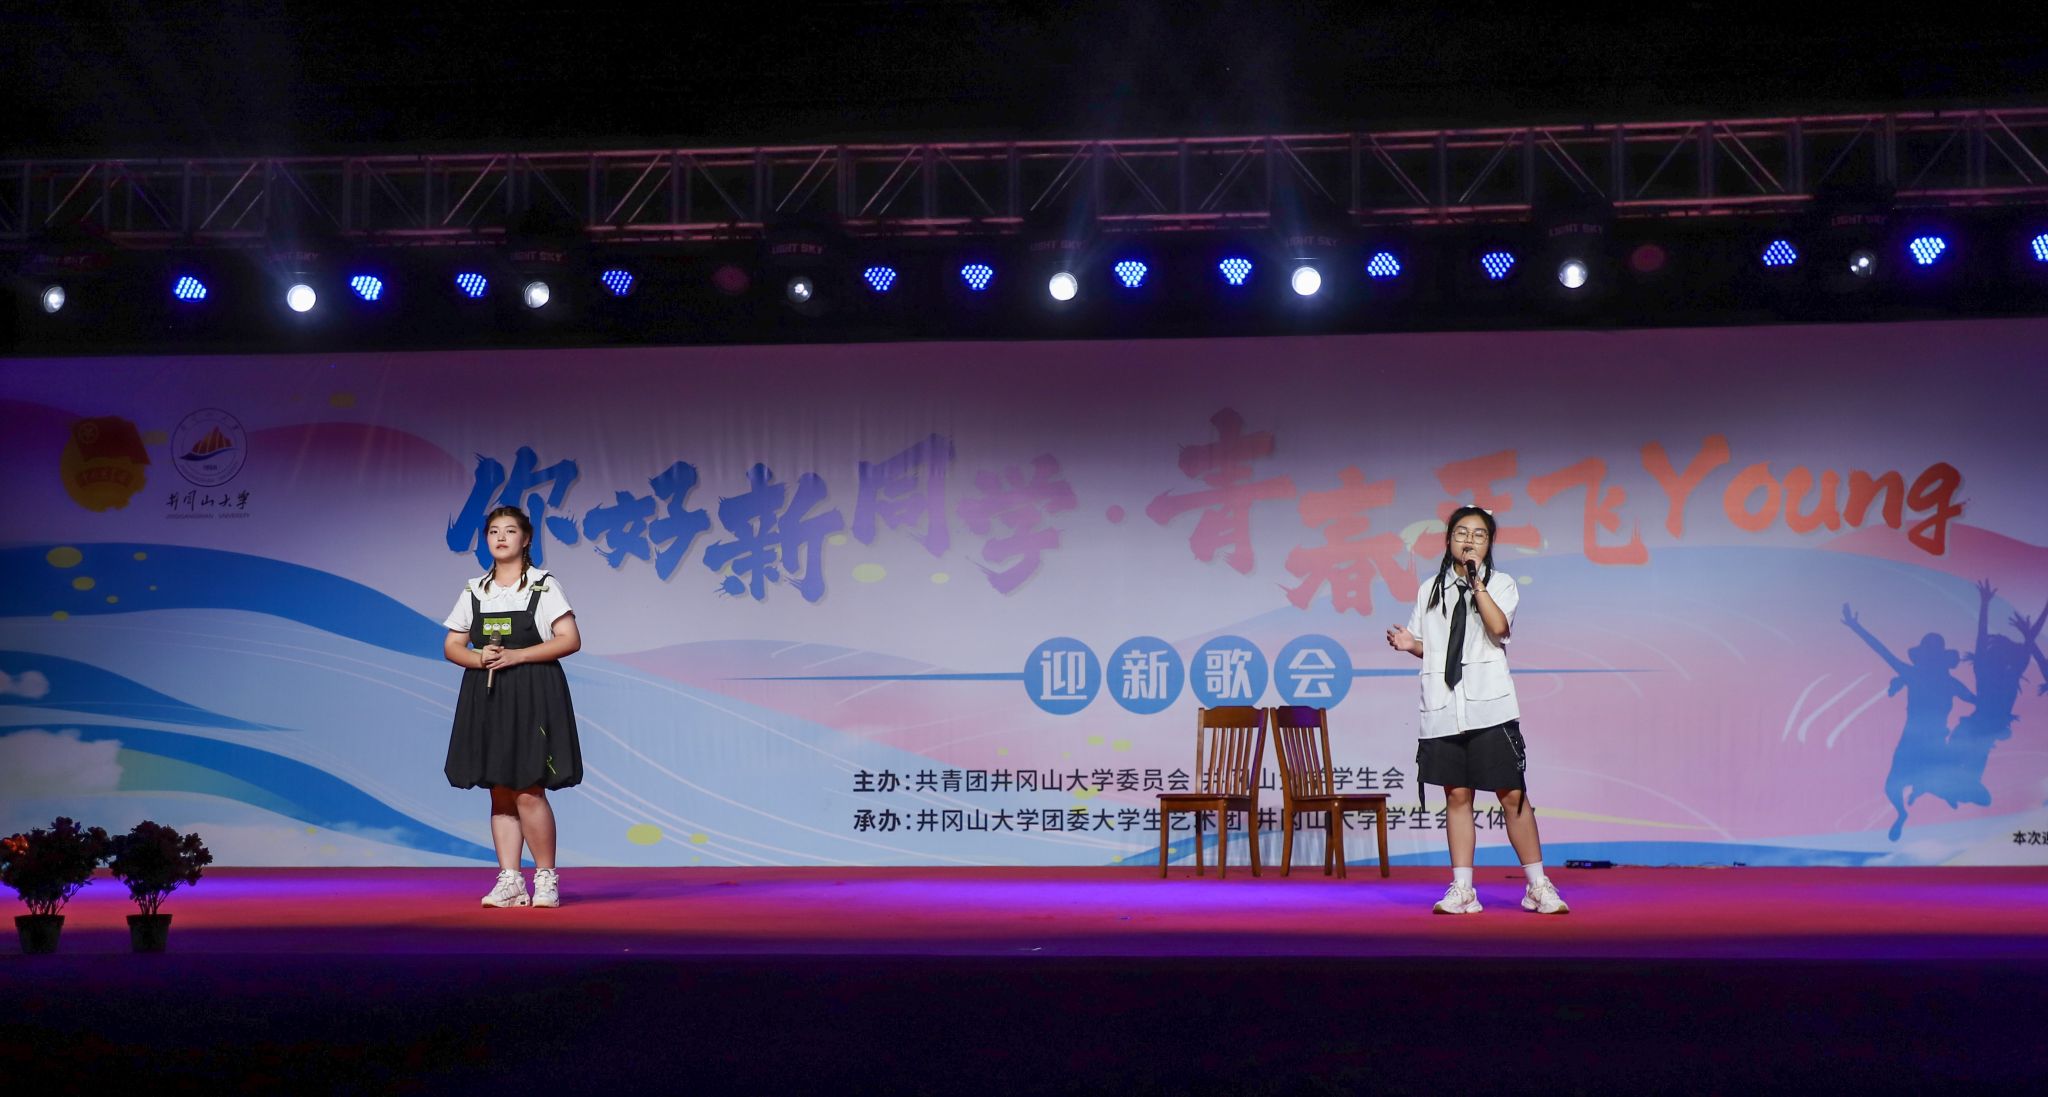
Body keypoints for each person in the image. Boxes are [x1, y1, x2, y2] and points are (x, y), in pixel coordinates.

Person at [1384, 505, 1567, 915]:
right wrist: (1410, 645)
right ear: (1449, 539)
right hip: (1444, 708)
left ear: (1489, 544)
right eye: (1462, 533)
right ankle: (1463, 889)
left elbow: (1499, 629)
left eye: (1479, 535)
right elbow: (1433, 646)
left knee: (1512, 795)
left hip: (1490, 707)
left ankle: (1538, 885)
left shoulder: (1500, 584)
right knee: (1457, 795)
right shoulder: (1430, 589)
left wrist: (1477, 585)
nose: (1469, 540)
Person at [443, 505, 584, 908]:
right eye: (493, 531)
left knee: (528, 789)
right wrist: (479, 658)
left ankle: (545, 878)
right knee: (500, 790)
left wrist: (517, 656)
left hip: (532, 692)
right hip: (487, 694)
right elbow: (452, 645)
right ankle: (510, 880)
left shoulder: (542, 586)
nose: (500, 537)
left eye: (509, 531)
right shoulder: (475, 590)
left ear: (526, 540)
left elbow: (569, 639)